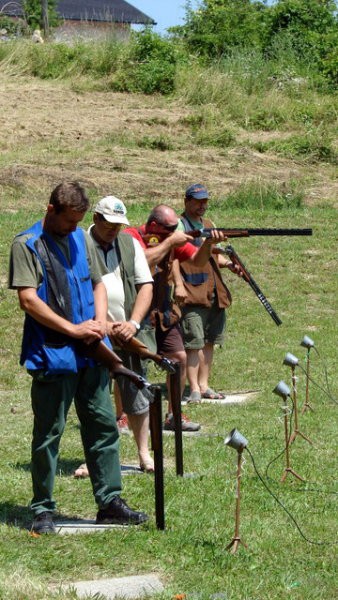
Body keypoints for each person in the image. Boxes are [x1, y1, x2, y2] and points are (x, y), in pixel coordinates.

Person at [8, 182, 148, 534]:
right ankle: (43, 510)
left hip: (91, 353)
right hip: (54, 352)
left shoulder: (83, 239)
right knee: (48, 434)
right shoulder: (27, 244)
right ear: (51, 209)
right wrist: (72, 331)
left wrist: (100, 324)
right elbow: (28, 299)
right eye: (70, 221)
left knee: (103, 428)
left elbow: (99, 283)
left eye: (78, 222)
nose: (75, 228)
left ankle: (110, 502)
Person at [124, 204, 226, 431]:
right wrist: (170, 242)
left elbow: (197, 261)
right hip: (136, 309)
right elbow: (139, 262)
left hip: (162, 309)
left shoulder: (168, 239)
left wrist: (208, 243)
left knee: (179, 358)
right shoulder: (131, 236)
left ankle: (173, 415)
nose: (173, 231)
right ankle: (123, 416)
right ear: (153, 225)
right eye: (169, 228)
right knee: (130, 365)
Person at [74, 195, 155, 478]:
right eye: (109, 223)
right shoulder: (77, 243)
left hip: (127, 331)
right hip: (92, 333)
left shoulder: (130, 243)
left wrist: (133, 323)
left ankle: (144, 453)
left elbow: (146, 286)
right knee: (96, 400)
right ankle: (94, 458)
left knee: (137, 393)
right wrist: (100, 325)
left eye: (118, 225)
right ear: (95, 218)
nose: (114, 229)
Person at [177, 183, 240, 403]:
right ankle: (193, 387)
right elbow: (185, 256)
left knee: (210, 341)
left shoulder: (209, 225)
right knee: (193, 342)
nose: (203, 205)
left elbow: (213, 257)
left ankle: (204, 385)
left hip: (213, 291)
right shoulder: (179, 226)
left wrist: (228, 264)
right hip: (192, 291)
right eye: (198, 201)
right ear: (186, 201)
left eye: (205, 201)